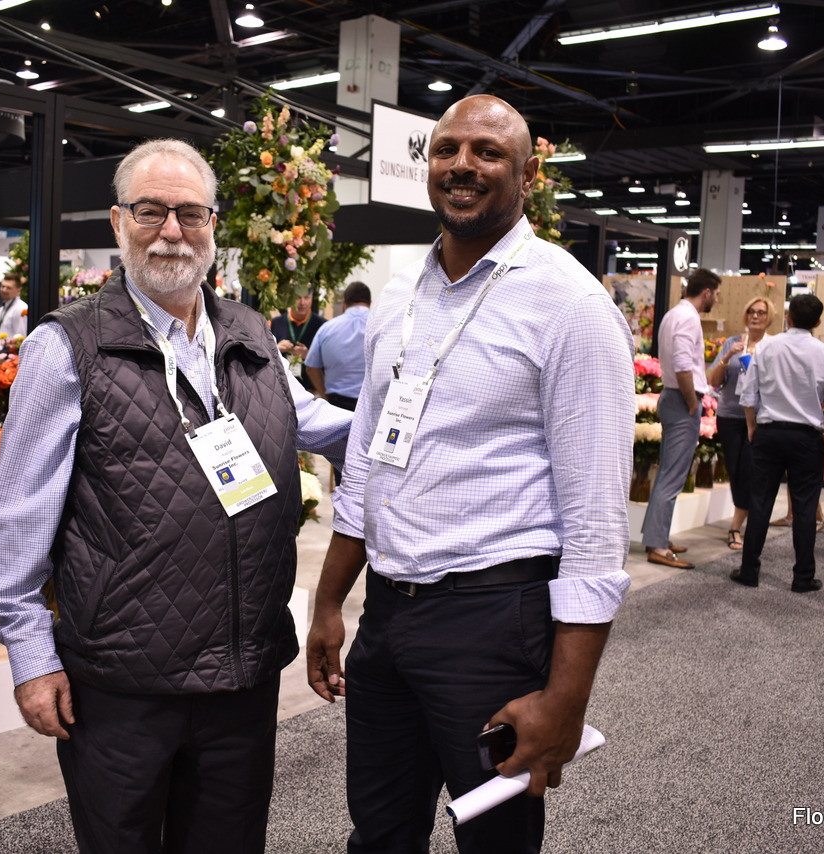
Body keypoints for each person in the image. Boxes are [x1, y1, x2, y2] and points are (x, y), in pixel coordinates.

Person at [0, 138, 350, 854]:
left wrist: (421, 426)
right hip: (123, 681)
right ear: (118, 221)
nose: (172, 231)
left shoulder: (250, 333)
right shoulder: (68, 346)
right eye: (151, 211)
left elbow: (317, 423)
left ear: (213, 223)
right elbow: (17, 513)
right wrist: (31, 654)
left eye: (190, 213)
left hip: (242, 677)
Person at [305, 95, 634, 854]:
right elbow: (369, 462)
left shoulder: (570, 304)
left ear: (528, 173)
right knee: (380, 833)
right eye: (447, 148)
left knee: (495, 841)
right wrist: (328, 602)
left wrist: (566, 699)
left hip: (494, 620)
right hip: (388, 615)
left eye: (488, 151)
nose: (462, 165)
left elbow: (594, 525)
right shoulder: (400, 295)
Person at [730, 294, 824, 592]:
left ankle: (749, 571)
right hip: (807, 437)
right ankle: (803, 577)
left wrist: (752, 426)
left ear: (788, 318)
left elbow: (748, 393)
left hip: (769, 433)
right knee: (805, 506)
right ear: (818, 322)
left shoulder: (766, 347)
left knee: (760, 501)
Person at [641, 268, 721, 569]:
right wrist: (691, 402)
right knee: (673, 476)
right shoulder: (688, 317)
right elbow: (683, 365)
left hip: (672, 397)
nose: (716, 299)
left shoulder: (674, 314)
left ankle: (656, 536)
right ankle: (658, 547)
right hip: (681, 400)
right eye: (716, 294)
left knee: (667, 473)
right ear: (707, 292)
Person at [707, 296, 773, 551]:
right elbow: (714, 381)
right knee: (735, 471)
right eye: (752, 312)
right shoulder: (733, 342)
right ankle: (743, 521)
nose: (756, 316)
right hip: (729, 416)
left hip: (759, 418)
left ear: (769, 318)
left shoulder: (772, 346)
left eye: (761, 312)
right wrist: (727, 356)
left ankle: (736, 527)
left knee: (750, 471)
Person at [304, 280, 371, 411]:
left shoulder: (326, 328)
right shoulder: (381, 326)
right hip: (372, 404)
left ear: (344, 303)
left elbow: (311, 368)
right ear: (370, 303)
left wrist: (324, 395)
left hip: (337, 404)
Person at [270, 290, 324, 390]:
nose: (302, 302)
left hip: (312, 390)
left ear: (312, 299)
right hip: (281, 389)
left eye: (306, 298)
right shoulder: (275, 323)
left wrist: (309, 356)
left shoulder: (323, 326)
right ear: (290, 298)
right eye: (298, 297)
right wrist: (276, 349)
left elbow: (329, 362)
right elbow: (264, 356)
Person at [0, 271, 27, 351]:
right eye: (2, 286)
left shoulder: (21, 309)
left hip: (11, 354)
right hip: (0, 353)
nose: (4, 290)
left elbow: (21, 337)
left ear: (18, 291)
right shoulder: (3, 308)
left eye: (8, 288)